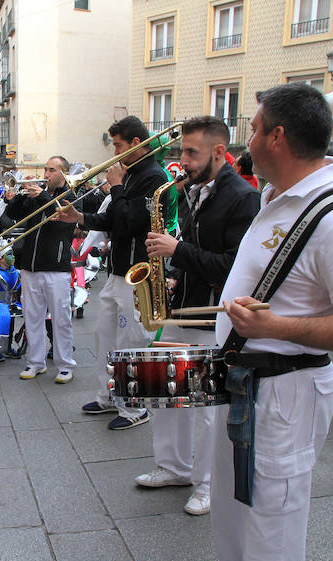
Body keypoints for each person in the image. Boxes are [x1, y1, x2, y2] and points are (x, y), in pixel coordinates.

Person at [190, 83, 333, 561]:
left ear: (277, 136)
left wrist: (275, 327)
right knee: (236, 491)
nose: (247, 139)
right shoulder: (275, 195)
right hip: (243, 377)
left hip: (284, 392)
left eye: (253, 128)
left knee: (273, 517)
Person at [141, 116, 260, 516]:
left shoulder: (243, 199)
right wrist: (173, 275)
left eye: (192, 152)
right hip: (183, 308)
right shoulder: (194, 190)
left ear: (219, 152)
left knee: (210, 411)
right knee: (164, 390)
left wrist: (177, 252)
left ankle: (207, 483)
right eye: (183, 151)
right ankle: (173, 466)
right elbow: (194, 250)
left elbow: (232, 265)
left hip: (214, 317)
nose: (184, 161)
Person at [56, 116, 168, 429]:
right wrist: (78, 217)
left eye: (118, 146)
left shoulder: (153, 176)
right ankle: (109, 397)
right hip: (117, 271)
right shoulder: (130, 175)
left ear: (136, 143)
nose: (114, 152)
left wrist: (117, 186)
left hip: (137, 272)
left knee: (130, 342)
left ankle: (135, 408)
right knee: (104, 335)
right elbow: (113, 219)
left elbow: (131, 221)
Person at [6, 156, 77, 384]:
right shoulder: (37, 196)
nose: (46, 174)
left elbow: (61, 223)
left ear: (64, 173)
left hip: (56, 268)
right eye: (45, 169)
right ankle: (35, 362)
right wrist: (19, 193)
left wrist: (44, 197)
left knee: (60, 318)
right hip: (30, 266)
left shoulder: (71, 196)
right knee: (32, 317)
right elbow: (14, 215)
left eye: (51, 170)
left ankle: (65, 365)